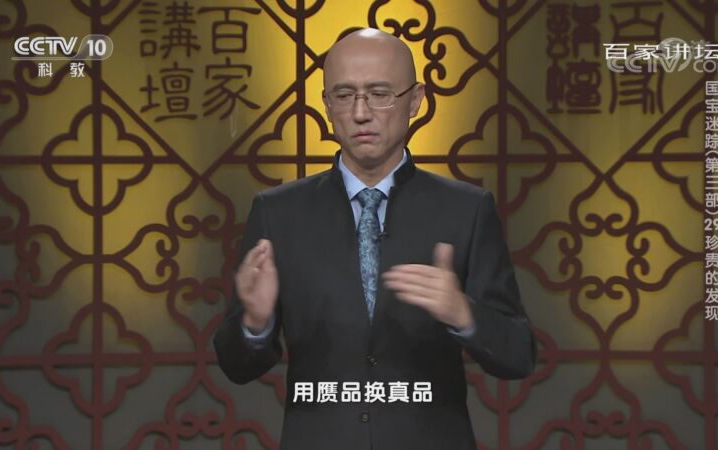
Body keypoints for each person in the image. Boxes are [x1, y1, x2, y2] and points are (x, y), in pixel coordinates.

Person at [214, 28, 536, 450]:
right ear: (326, 104)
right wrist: (256, 325)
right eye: (344, 95)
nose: (361, 113)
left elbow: (519, 355)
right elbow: (235, 366)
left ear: (415, 100)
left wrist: (464, 314)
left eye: (380, 94)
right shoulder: (278, 213)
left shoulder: (466, 210)